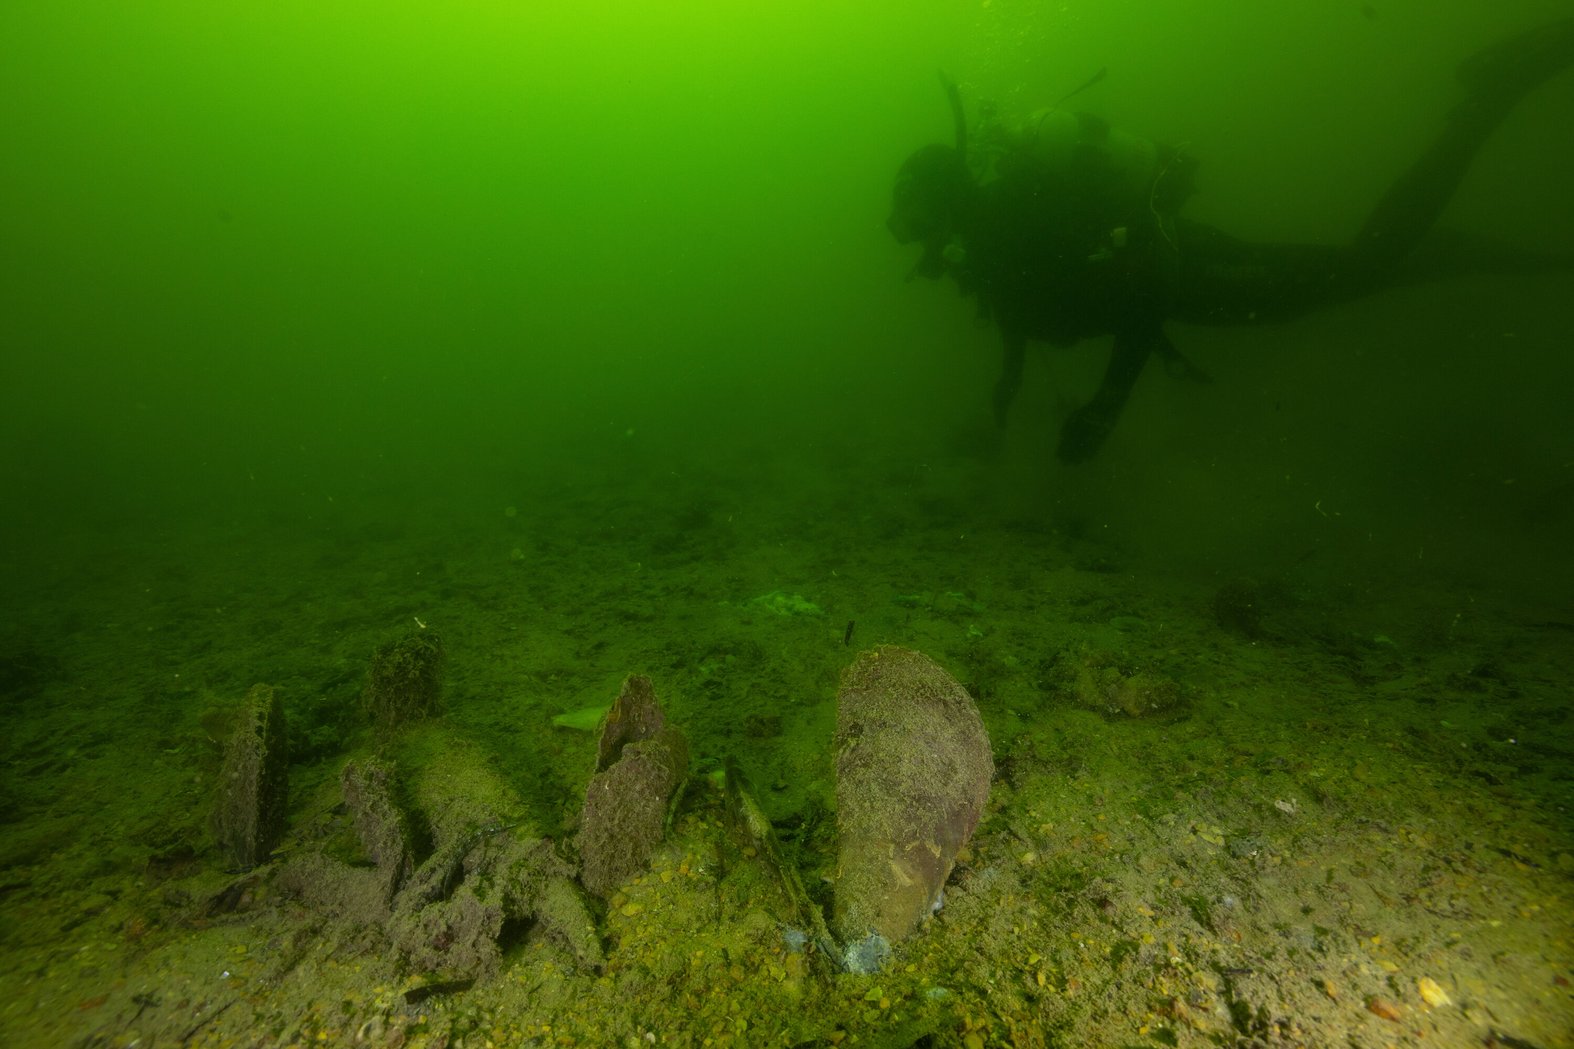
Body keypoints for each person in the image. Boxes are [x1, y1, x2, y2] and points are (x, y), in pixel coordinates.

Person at [888, 19, 1574, 463]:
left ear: (947, 199)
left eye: (912, 215)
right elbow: (1019, 314)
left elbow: (1140, 299)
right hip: (1187, 245)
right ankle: (1452, 249)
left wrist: (1103, 411)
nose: (905, 233)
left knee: (1367, 261)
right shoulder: (989, 242)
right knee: (1363, 264)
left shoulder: (1009, 228)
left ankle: (1487, 101)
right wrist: (1001, 404)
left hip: (1184, 274)